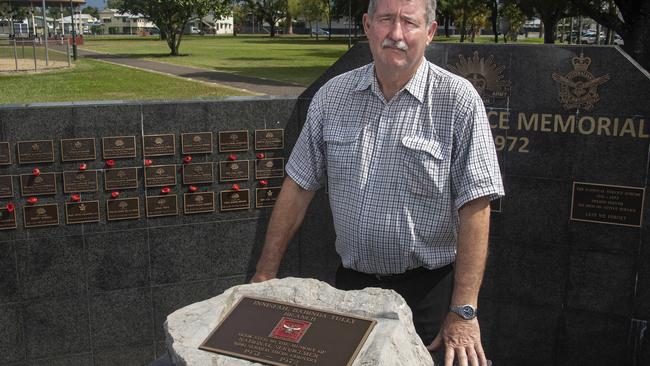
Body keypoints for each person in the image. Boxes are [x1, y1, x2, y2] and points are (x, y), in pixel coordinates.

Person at [251, 0, 504, 365]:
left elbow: (476, 207)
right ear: (368, 25)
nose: (396, 34)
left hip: (428, 295)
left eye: (409, 23)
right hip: (351, 290)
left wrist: (464, 311)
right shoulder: (331, 97)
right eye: (386, 20)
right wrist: (264, 276)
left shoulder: (458, 102)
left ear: (430, 33)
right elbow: (298, 188)